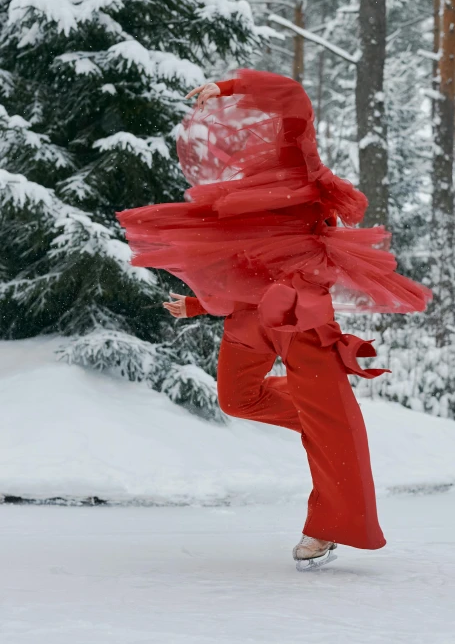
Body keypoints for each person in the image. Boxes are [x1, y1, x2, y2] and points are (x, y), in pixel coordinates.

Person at [116, 69, 432, 571]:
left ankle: (327, 521)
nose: (246, 148)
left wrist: (229, 87)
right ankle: (327, 412)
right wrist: (199, 304)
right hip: (250, 316)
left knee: (329, 422)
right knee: (237, 399)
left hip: (300, 309)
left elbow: (295, 98)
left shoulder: (298, 165)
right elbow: (238, 270)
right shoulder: (241, 197)